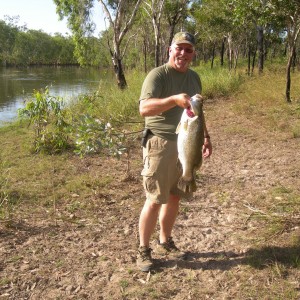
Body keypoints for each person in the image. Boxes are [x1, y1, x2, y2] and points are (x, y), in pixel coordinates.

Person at [137, 32, 213, 272]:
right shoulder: (157, 75)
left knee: (175, 196)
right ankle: (143, 250)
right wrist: (172, 100)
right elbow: (144, 109)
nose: (183, 54)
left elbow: (197, 113)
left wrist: (206, 137)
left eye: (188, 50)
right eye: (179, 48)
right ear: (170, 50)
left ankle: (165, 240)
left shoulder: (194, 78)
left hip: (186, 142)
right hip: (160, 144)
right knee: (154, 199)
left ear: (193, 54)